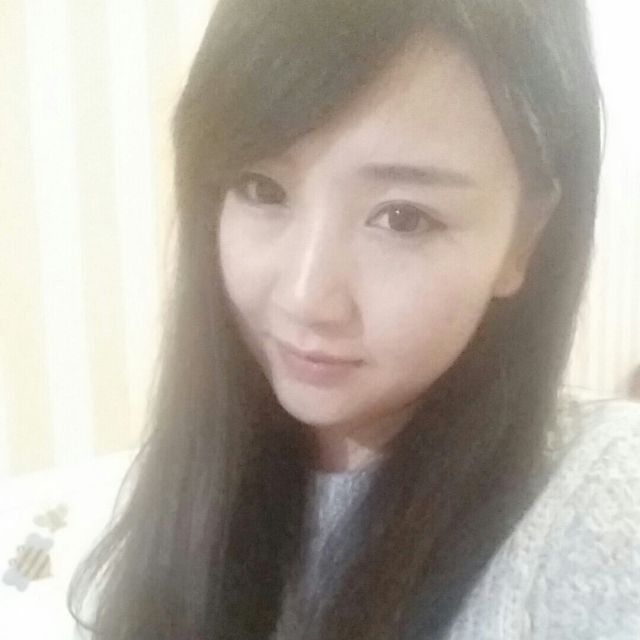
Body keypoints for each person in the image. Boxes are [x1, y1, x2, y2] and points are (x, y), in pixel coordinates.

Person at [68, 1, 640, 639]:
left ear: (524, 238)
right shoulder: (189, 486)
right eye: (262, 189)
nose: (305, 297)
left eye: (403, 217)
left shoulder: (603, 506)